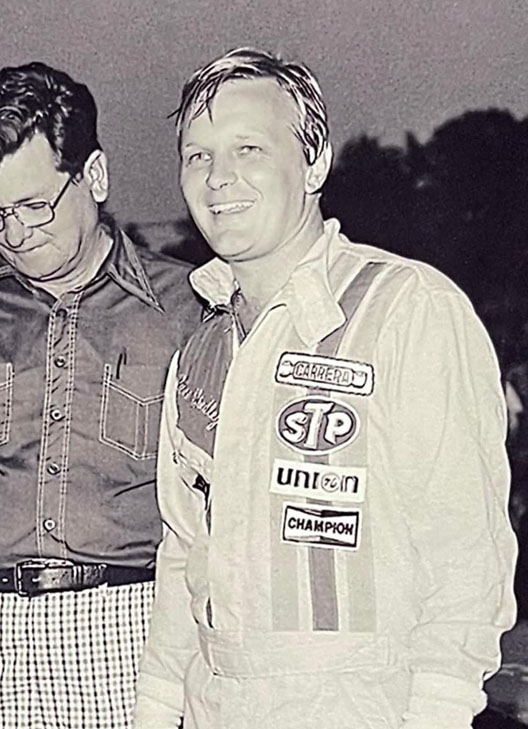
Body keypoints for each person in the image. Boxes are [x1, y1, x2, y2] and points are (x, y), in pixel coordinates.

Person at [133, 47, 518, 729]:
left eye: (248, 148)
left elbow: (464, 556)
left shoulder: (407, 309)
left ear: (315, 161)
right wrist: (155, 710)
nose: (219, 178)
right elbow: (183, 554)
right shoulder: (198, 351)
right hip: (215, 699)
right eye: (198, 156)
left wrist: (438, 711)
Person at [0, 61, 201, 728]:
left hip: (132, 639)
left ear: (95, 177)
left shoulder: (190, 310)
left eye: (34, 206)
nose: (16, 235)